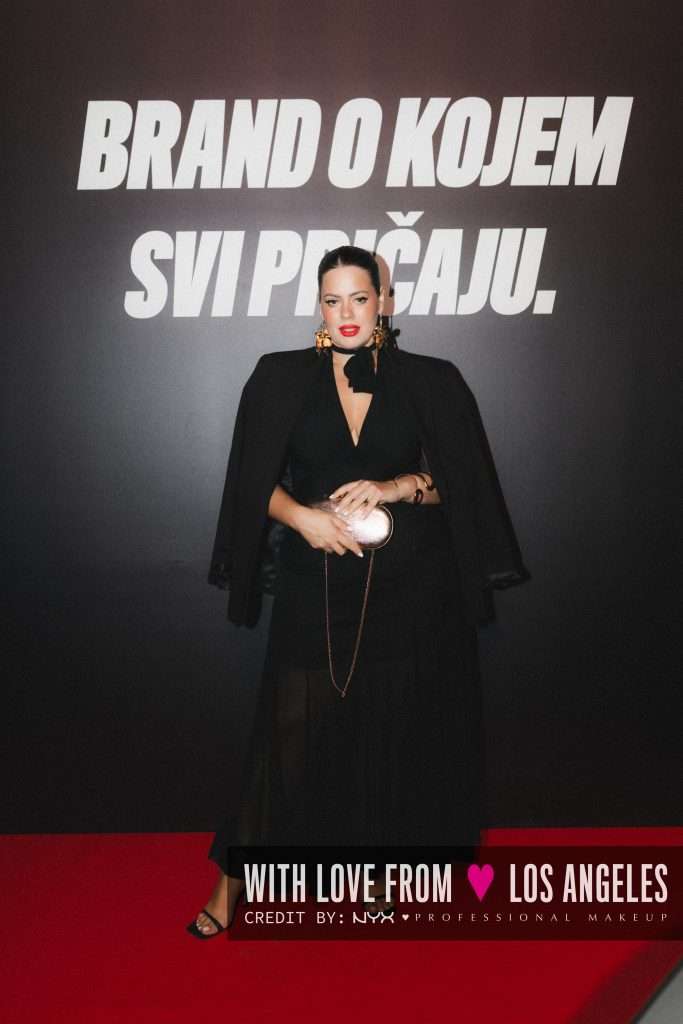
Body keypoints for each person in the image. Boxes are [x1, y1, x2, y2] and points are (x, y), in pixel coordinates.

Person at [187, 245, 530, 937]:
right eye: (332, 299)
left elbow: (461, 485)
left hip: (411, 587)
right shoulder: (278, 377)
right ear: (319, 306)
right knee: (285, 733)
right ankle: (232, 884)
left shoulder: (432, 380)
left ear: (384, 301)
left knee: (390, 729)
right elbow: (250, 483)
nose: (346, 312)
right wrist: (304, 519)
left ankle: (376, 871)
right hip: (314, 582)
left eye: (360, 297)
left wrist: (399, 486)